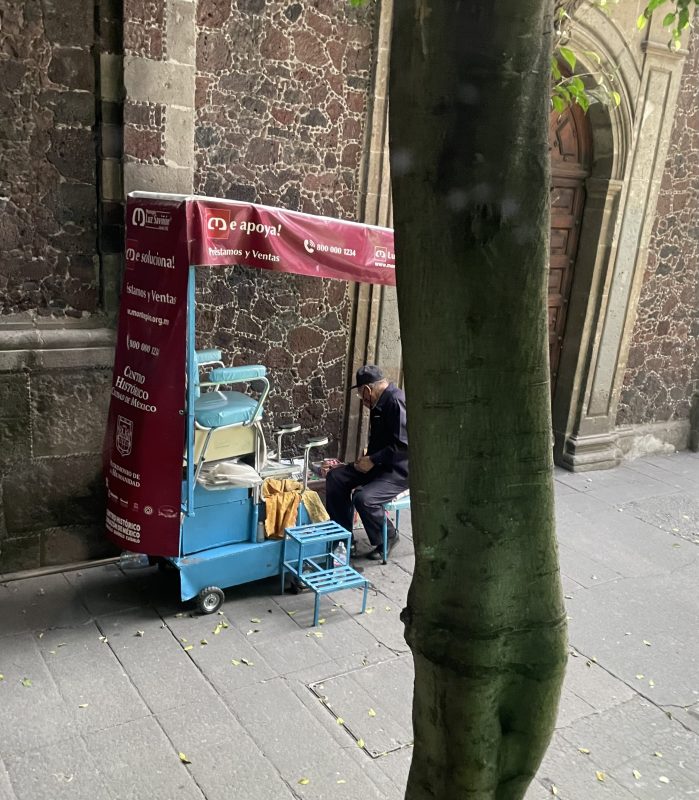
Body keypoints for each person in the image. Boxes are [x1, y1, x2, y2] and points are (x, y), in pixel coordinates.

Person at [325, 365, 408, 560]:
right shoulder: (378, 402)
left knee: (364, 498)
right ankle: (343, 539)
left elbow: (404, 446)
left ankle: (387, 536)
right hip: (377, 464)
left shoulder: (396, 401)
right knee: (336, 477)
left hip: (398, 471)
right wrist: (365, 460)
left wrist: (373, 459)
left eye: (362, 396)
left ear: (368, 390)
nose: (362, 401)